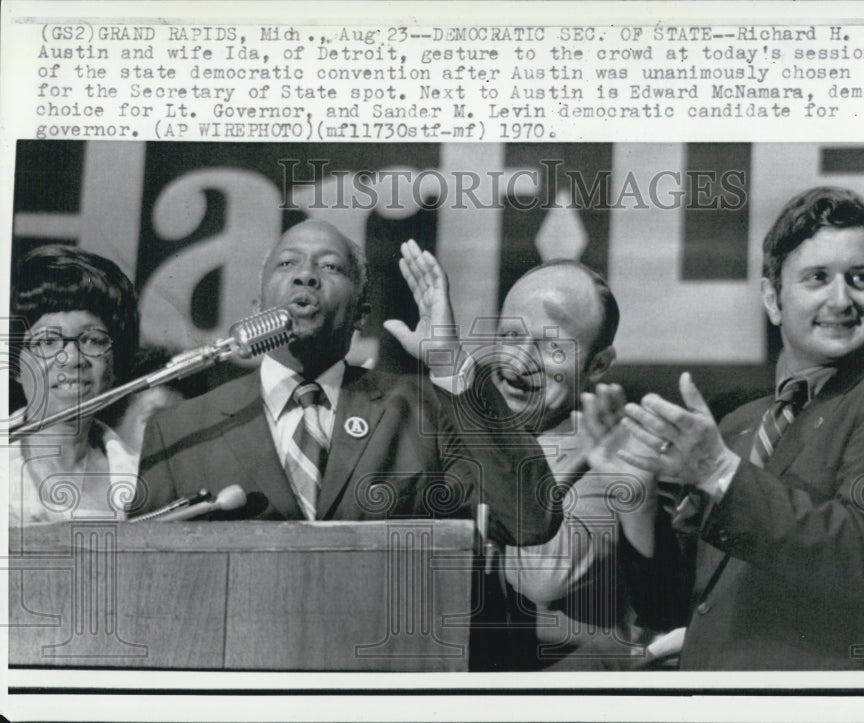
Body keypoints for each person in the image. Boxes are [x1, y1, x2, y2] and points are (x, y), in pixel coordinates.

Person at [620, 187, 864, 670]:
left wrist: (722, 473)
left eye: (860, 278)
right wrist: (636, 492)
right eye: (817, 278)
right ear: (772, 297)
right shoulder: (739, 423)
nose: (841, 298)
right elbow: (675, 602)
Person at [131, 220, 560, 547]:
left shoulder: (417, 409)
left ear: (361, 314)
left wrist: (450, 362)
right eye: (287, 263)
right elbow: (143, 576)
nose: (306, 276)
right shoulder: (180, 429)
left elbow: (529, 519)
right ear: (258, 304)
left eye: (330, 266)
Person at [395, 250, 686, 670]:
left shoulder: (612, 452)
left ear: (598, 364)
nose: (520, 362)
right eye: (511, 336)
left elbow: (545, 574)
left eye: (552, 346)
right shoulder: (446, 427)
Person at [9, 245, 140, 524]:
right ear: (15, 364)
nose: (72, 358)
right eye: (46, 341)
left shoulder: (141, 473)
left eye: (92, 340)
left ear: (115, 362)